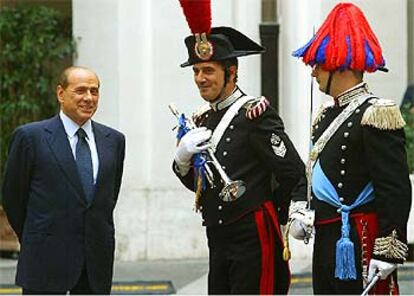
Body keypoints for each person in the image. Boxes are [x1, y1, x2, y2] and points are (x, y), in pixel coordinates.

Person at [172, 1, 305, 294]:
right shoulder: (202, 119)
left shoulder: (254, 114)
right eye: (196, 71)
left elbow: (293, 172)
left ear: (231, 72)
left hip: (253, 235)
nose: (200, 79)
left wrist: (278, 213)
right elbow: (200, 182)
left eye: (208, 70)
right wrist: (181, 158)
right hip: (218, 236)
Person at [289, 3, 412, 294]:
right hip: (327, 238)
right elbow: (311, 173)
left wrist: (388, 250)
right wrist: (300, 208)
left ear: (339, 64)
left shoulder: (376, 112)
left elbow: (394, 188)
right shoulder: (324, 116)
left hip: (360, 237)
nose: (314, 72)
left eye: (319, 63)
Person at [2, 66, 126, 294]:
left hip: (94, 265)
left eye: (94, 91)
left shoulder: (114, 141)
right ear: (61, 94)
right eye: (80, 91)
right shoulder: (31, 138)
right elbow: (13, 198)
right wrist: (37, 236)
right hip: (45, 261)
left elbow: (107, 199)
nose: (89, 98)